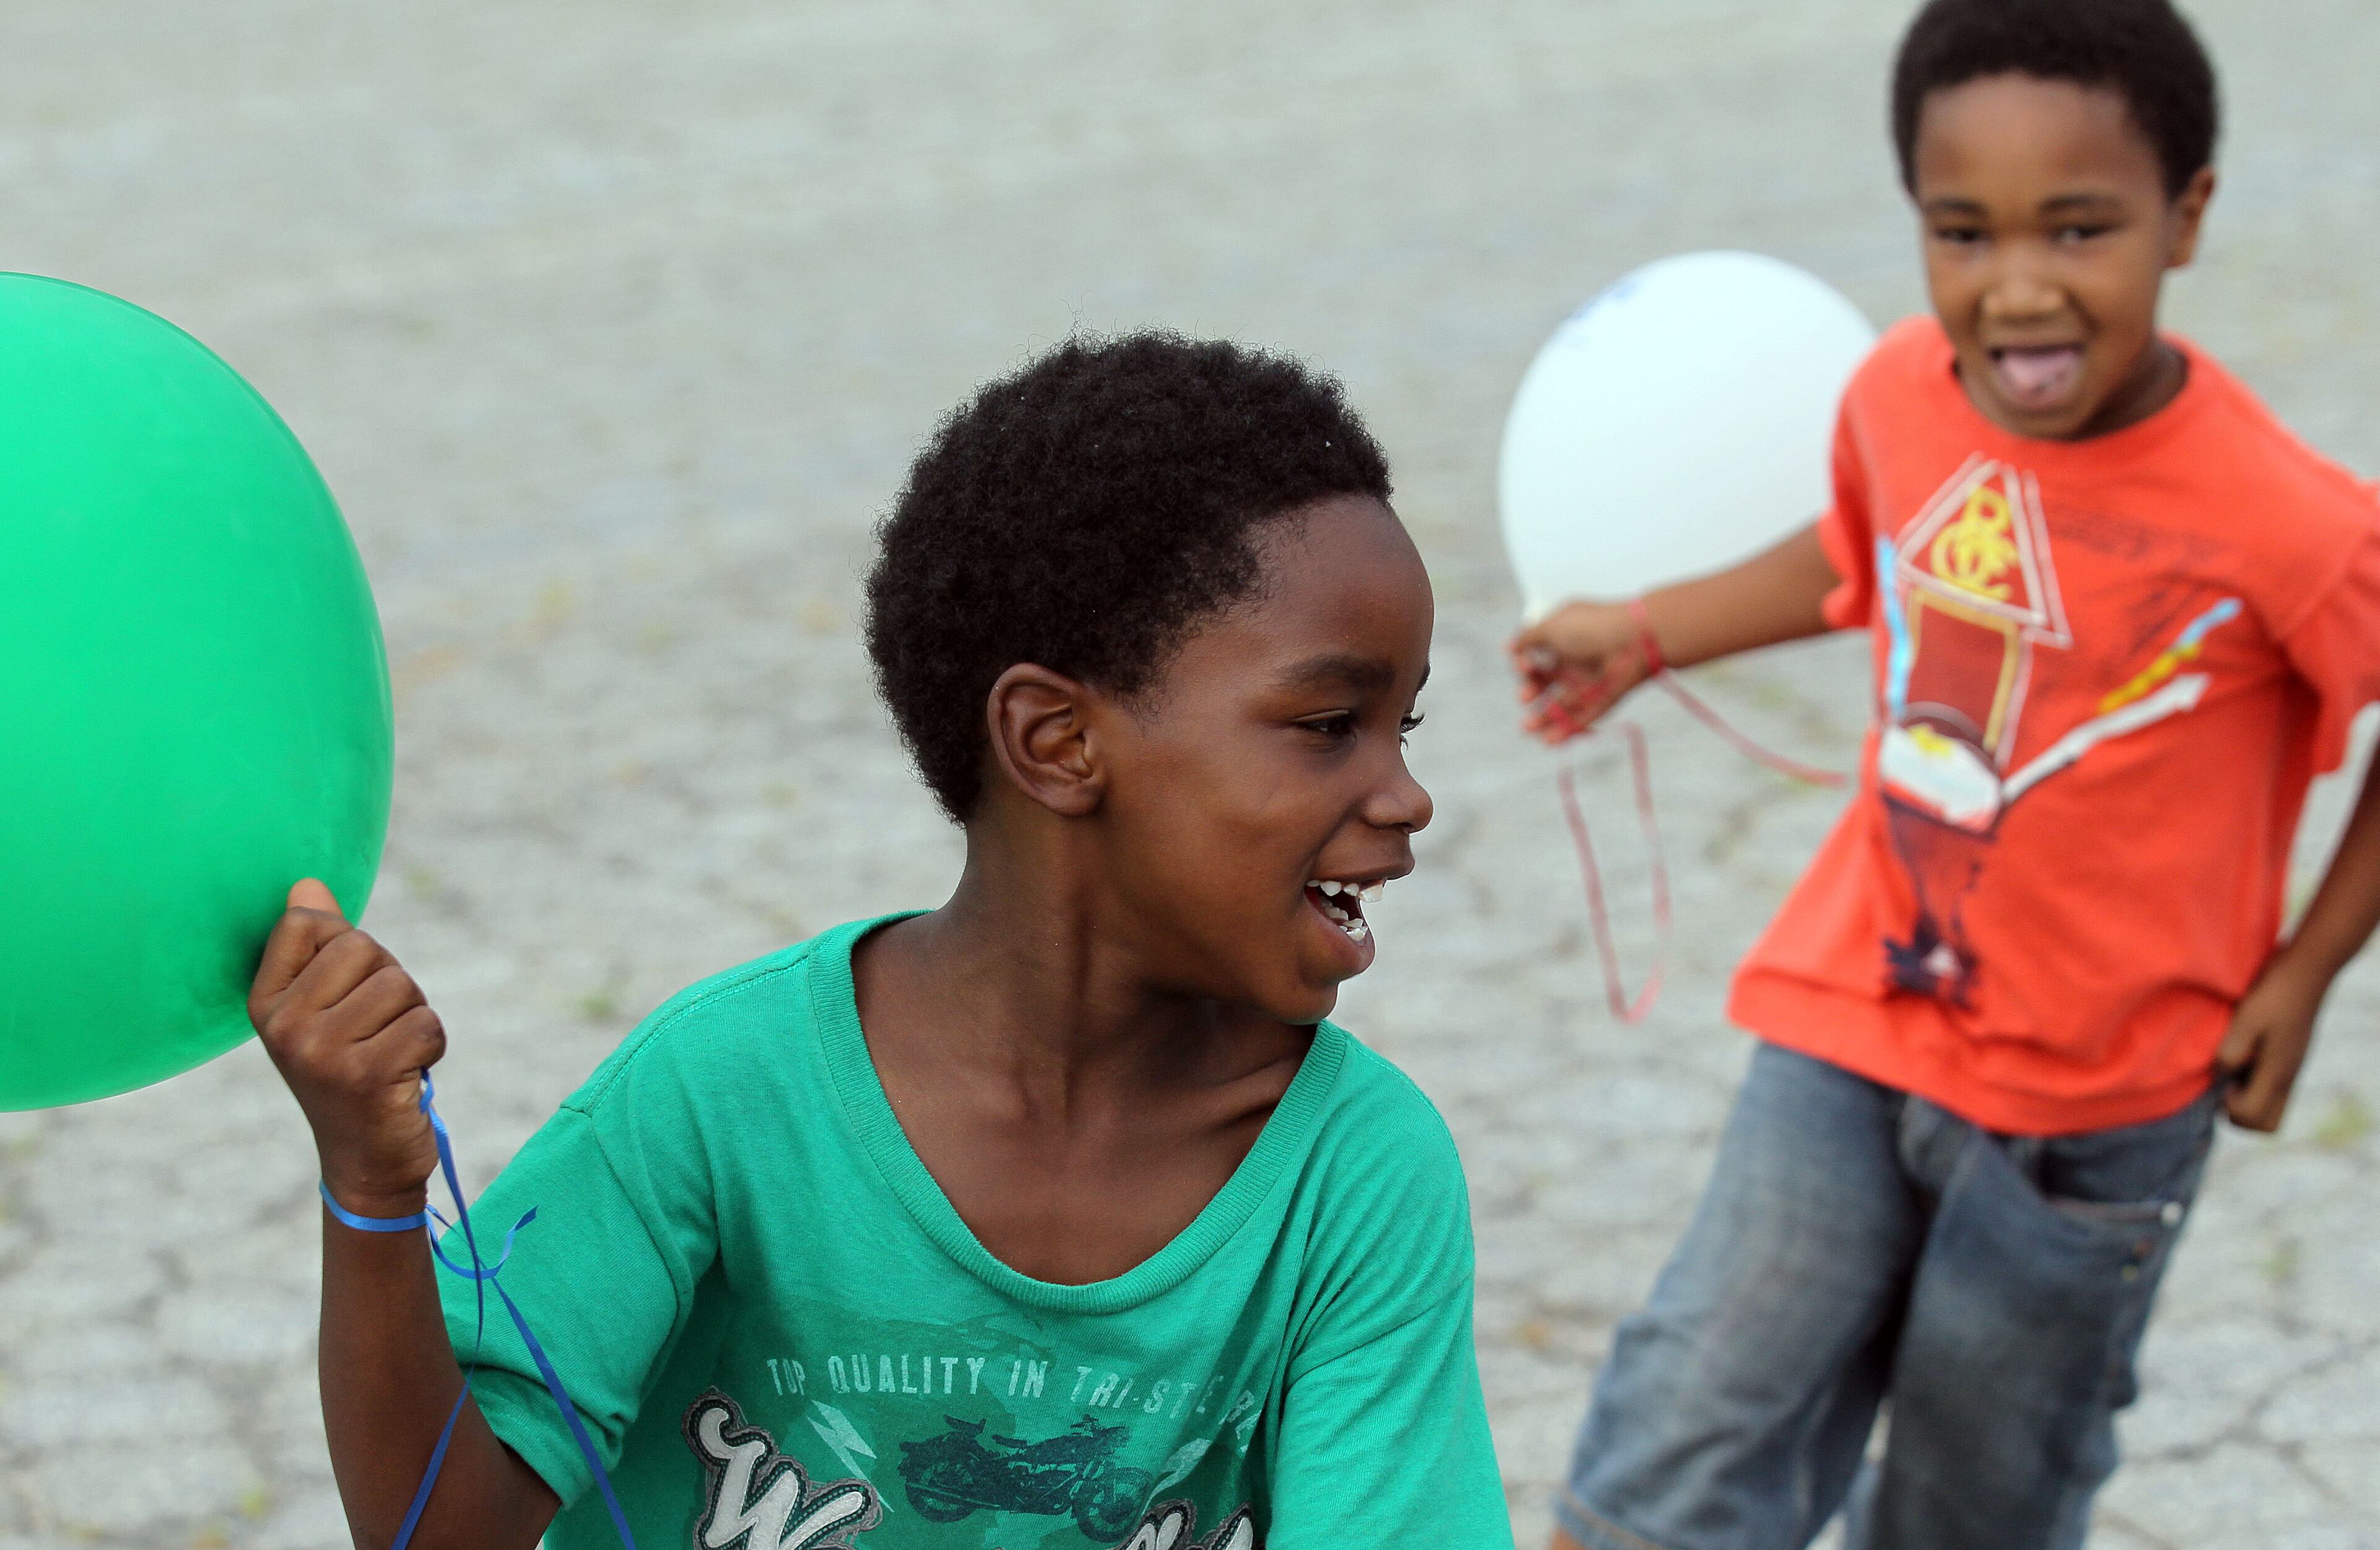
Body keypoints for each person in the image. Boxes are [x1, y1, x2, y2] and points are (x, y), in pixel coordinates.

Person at [247, 334, 1515, 1550]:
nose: (1406, 794)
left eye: (1406, 724)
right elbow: (444, 1533)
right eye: (1331, 722)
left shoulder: (1356, 1177)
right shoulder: (726, 1093)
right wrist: (371, 1187)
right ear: (1058, 743)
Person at [1513, 2, 2380, 1546]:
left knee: (1976, 1501)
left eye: (2081, 227)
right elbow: (1857, 559)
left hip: (2094, 1109)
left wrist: (2309, 970)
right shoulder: (1900, 393)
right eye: (1962, 232)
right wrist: (1647, 635)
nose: (2020, 288)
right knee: (1687, 1417)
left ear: (2186, 216)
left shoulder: (2281, 518)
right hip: (1853, 1021)